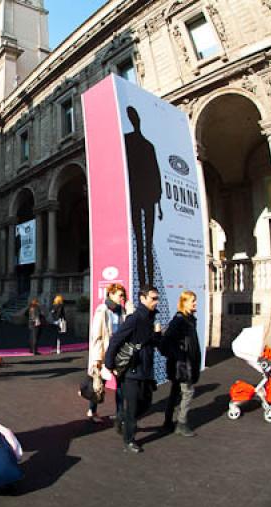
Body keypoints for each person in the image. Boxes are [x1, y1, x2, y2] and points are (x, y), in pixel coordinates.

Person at [104, 285, 162, 454]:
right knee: (133, 406)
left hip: (146, 368)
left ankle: (121, 417)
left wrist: (158, 335)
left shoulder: (152, 318)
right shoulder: (135, 318)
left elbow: (155, 343)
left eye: (157, 298)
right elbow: (116, 340)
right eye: (153, 298)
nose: (156, 302)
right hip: (131, 369)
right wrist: (109, 365)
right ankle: (129, 439)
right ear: (142, 299)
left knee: (146, 403)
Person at [125, 106, 163, 289]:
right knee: (143, 242)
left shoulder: (143, 144)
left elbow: (155, 172)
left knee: (144, 242)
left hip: (143, 196)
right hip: (144, 196)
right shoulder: (143, 143)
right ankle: (145, 283)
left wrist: (160, 202)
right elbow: (154, 173)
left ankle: (147, 283)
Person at [161, 290, 202, 437]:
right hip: (182, 365)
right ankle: (181, 423)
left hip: (184, 363)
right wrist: (180, 356)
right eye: (193, 301)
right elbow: (166, 341)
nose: (195, 303)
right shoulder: (180, 320)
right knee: (188, 392)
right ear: (184, 302)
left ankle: (168, 422)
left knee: (175, 392)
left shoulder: (189, 319)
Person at [89, 284, 129, 425]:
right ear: (110, 294)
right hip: (105, 352)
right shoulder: (102, 310)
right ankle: (92, 410)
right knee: (100, 384)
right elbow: (97, 336)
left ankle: (119, 414)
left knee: (120, 384)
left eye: (123, 295)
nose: (122, 298)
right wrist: (96, 359)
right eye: (120, 295)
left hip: (119, 352)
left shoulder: (122, 311)